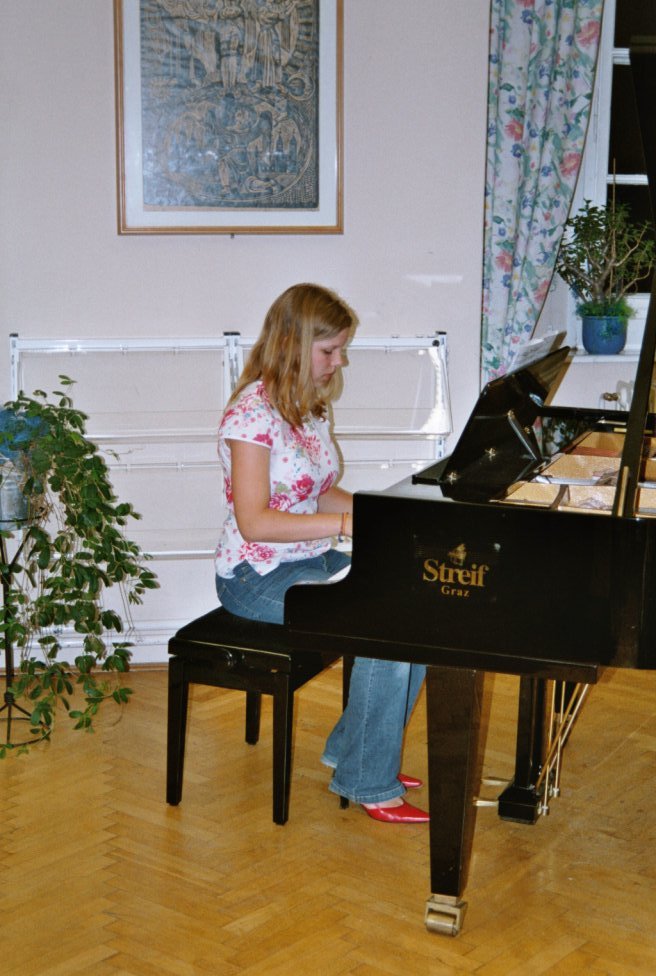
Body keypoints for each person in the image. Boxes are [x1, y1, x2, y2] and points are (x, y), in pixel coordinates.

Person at [215, 283, 428, 824]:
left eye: (340, 349)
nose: (339, 361)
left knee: (417, 599)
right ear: (292, 342)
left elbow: (318, 491)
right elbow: (255, 521)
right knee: (380, 619)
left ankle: (353, 750)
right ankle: (367, 780)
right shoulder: (251, 417)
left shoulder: (303, 408)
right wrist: (344, 524)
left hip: (307, 557)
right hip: (255, 574)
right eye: (330, 350)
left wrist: (382, 515)